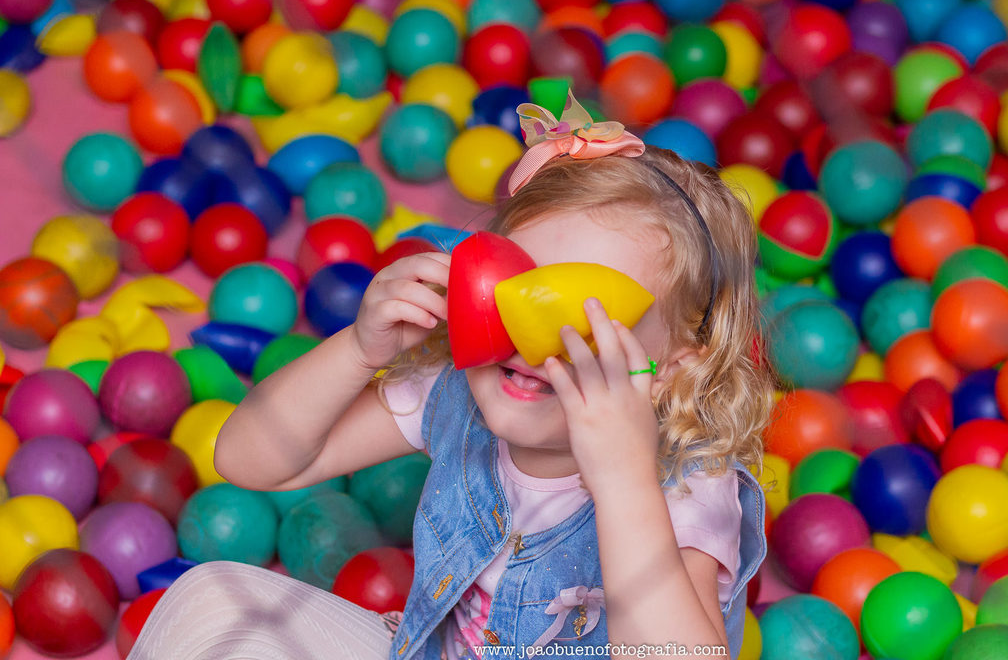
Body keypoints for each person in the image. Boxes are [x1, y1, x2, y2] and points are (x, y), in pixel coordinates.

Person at [128, 93, 773, 660]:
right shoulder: (459, 391)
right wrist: (358, 350)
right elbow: (249, 461)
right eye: (512, 290)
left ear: (670, 372)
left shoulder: (687, 480)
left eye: (584, 321)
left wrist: (624, 479)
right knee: (210, 598)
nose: (529, 341)